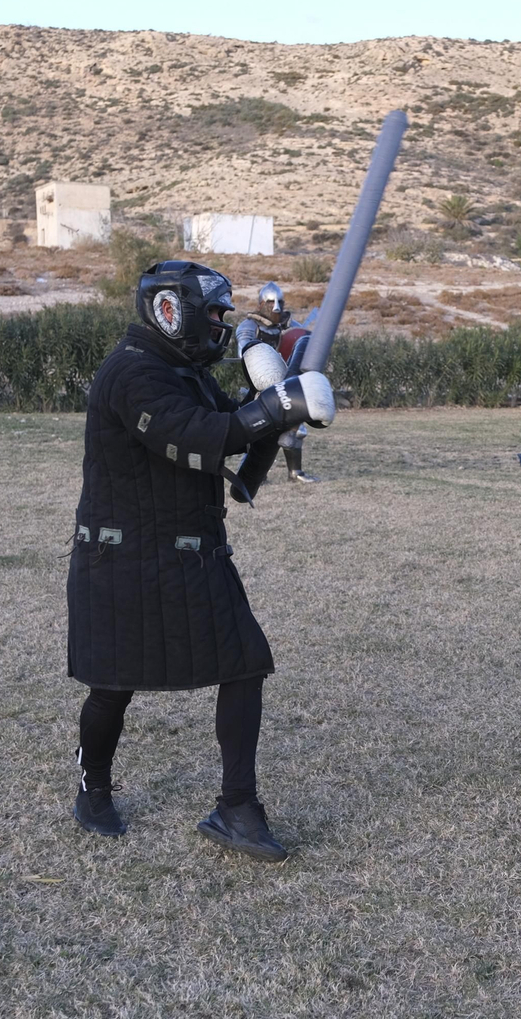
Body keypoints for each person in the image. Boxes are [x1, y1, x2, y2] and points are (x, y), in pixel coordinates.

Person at [67, 260, 335, 859]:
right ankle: (93, 786)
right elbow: (193, 436)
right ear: (171, 310)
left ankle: (237, 807)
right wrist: (277, 407)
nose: (219, 326)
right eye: (213, 314)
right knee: (114, 684)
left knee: (244, 663)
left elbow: (231, 430)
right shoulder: (130, 373)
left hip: (191, 550)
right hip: (123, 557)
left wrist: (280, 406)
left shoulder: (180, 371)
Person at [250, 281, 318, 484]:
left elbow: (304, 346)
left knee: (296, 429)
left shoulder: (292, 327)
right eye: (270, 303)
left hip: (289, 381)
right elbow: (246, 352)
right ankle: (257, 474)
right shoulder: (250, 326)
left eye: (279, 302)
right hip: (261, 384)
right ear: (262, 303)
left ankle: (295, 472)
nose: (276, 307)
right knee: (261, 430)